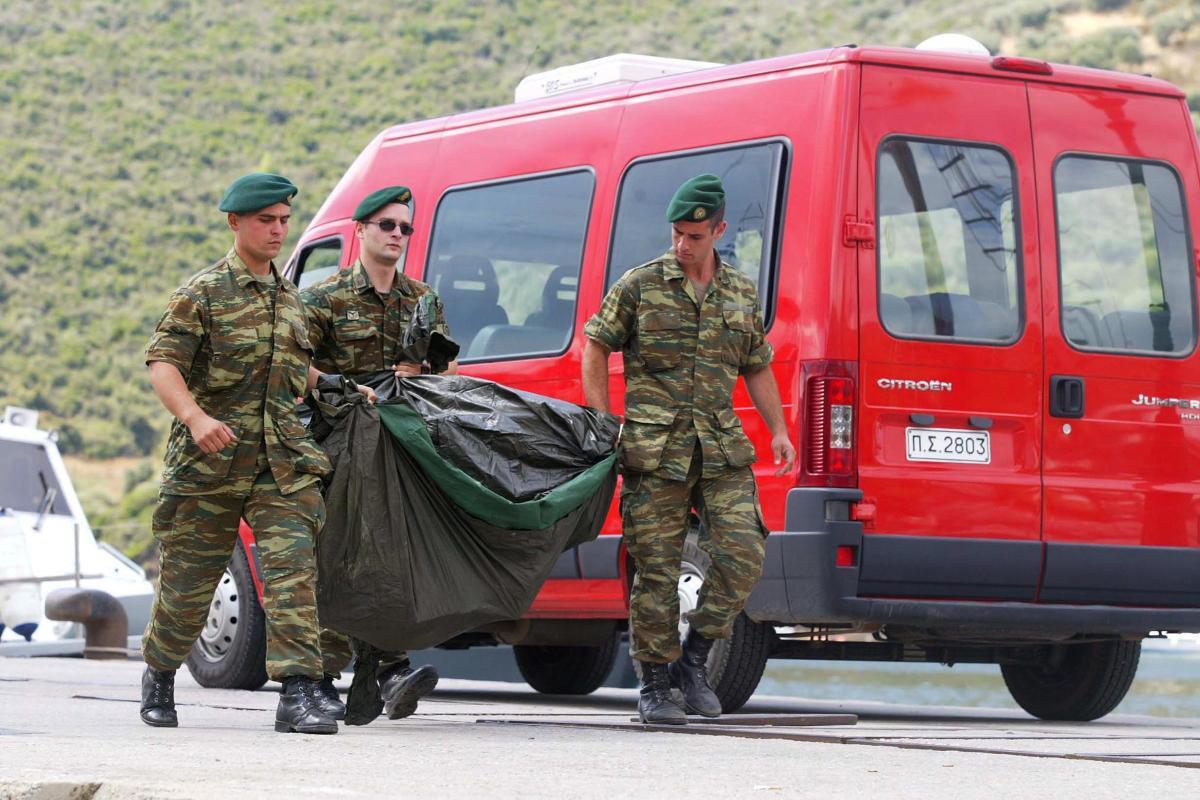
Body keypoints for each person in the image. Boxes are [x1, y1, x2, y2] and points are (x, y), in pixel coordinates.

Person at [140, 172, 370, 735]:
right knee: (189, 588)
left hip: (282, 461)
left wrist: (326, 383)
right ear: (235, 223)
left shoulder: (290, 298)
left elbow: (290, 367)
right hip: (210, 463)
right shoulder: (203, 293)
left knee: (295, 570)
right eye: (266, 220)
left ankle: (298, 694)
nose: (277, 231)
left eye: (284, 220)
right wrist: (194, 418)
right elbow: (162, 365)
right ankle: (160, 672)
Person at [581, 174, 796, 725]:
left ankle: (694, 658)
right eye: (677, 234)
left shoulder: (741, 292)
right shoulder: (641, 285)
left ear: (719, 230)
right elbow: (596, 344)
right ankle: (654, 682)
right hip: (655, 450)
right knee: (655, 569)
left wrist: (778, 430)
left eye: (695, 236)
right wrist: (605, 423)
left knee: (745, 554)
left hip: (721, 447)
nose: (682, 245)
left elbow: (757, 365)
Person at [301, 185, 455, 721]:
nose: (396, 235)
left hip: (399, 445)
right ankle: (319, 678)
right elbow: (292, 365)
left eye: (404, 228)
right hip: (339, 443)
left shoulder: (422, 299)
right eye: (386, 225)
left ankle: (388, 670)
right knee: (337, 555)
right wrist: (342, 385)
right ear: (360, 230)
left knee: (388, 558)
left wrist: (422, 374)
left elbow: (446, 370)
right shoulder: (323, 298)